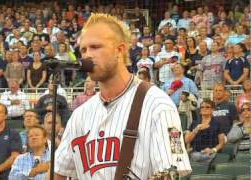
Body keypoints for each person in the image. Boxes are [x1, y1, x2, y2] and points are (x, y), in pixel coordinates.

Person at [54, 13, 191, 180]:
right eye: (83, 49)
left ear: (120, 50)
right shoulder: (80, 115)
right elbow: (58, 172)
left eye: (95, 47)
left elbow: (173, 170)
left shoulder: (158, 104)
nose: (87, 55)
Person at [185, 99, 226, 165]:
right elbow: (187, 140)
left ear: (212, 110)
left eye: (207, 107)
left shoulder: (217, 124)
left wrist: (213, 150)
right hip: (195, 154)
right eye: (202, 107)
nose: (204, 109)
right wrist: (196, 129)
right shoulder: (194, 123)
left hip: (210, 155)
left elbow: (222, 142)